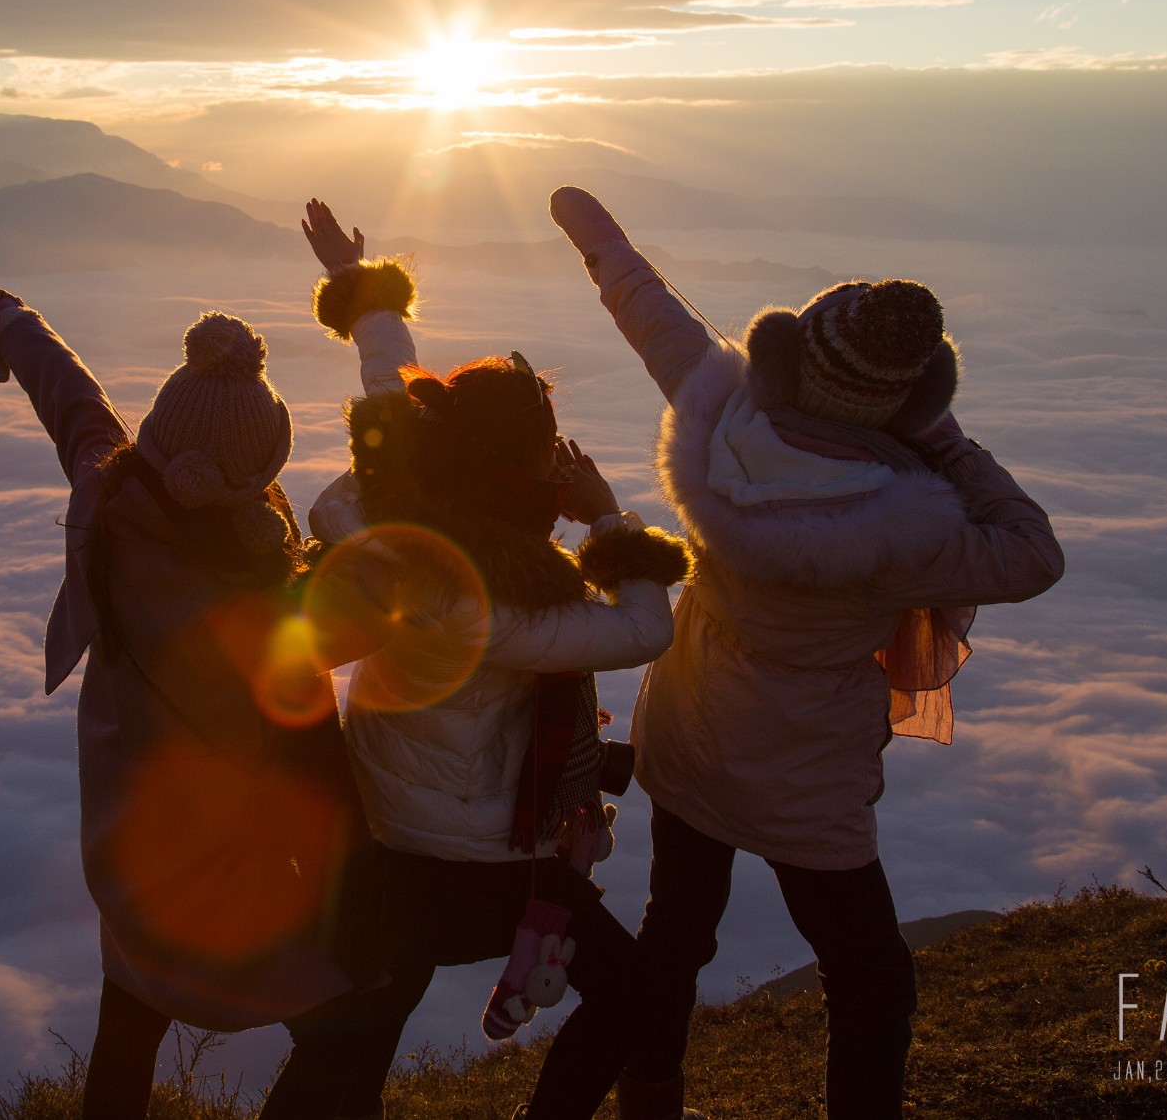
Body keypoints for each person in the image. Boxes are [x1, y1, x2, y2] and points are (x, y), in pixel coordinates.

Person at [544, 185, 1066, 1120]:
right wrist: (944, 440)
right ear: (908, 403)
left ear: (791, 354)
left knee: (673, 939)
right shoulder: (908, 529)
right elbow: (1034, 551)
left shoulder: (717, 415)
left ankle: (647, 1104)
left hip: (693, 735)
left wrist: (597, 235)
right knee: (870, 982)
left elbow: (649, 310)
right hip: (806, 775)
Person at [295, 200, 691, 1120]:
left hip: (381, 832)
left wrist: (363, 295)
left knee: (357, 1047)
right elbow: (644, 625)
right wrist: (604, 514)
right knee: (635, 994)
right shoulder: (510, 612)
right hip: (479, 860)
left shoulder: (396, 527)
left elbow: (394, 391)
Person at [0, 286, 375, 1120]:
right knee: (347, 1027)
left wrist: (4, 318)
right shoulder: (270, 614)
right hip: (230, 872)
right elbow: (346, 697)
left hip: (128, 845)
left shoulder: (107, 498)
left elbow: (71, 399)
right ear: (261, 477)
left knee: (129, 1021)